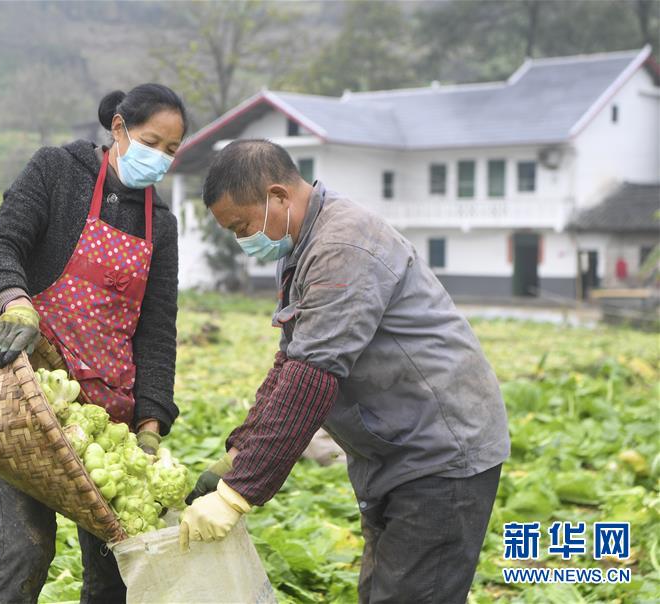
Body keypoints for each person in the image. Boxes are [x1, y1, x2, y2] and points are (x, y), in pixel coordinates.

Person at [179, 140, 510, 604]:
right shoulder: (300, 245)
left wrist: (239, 492)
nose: (241, 240)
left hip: (440, 450)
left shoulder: (342, 245)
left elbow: (311, 375)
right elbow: (289, 362)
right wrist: (238, 455)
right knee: (382, 592)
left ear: (277, 197)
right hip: (393, 451)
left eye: (242, 225)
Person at [0, 83, 187, 603]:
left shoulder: (160, 222)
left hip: (109, 420)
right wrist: (15, 302)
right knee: (26, 550)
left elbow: (157, 332)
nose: (159, 158)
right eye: (151, 141)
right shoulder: (58, 172)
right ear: (118, 127)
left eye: (172, 150)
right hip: (34, 404)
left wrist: (150, 424)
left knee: (116, 568)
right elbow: (1, 244)